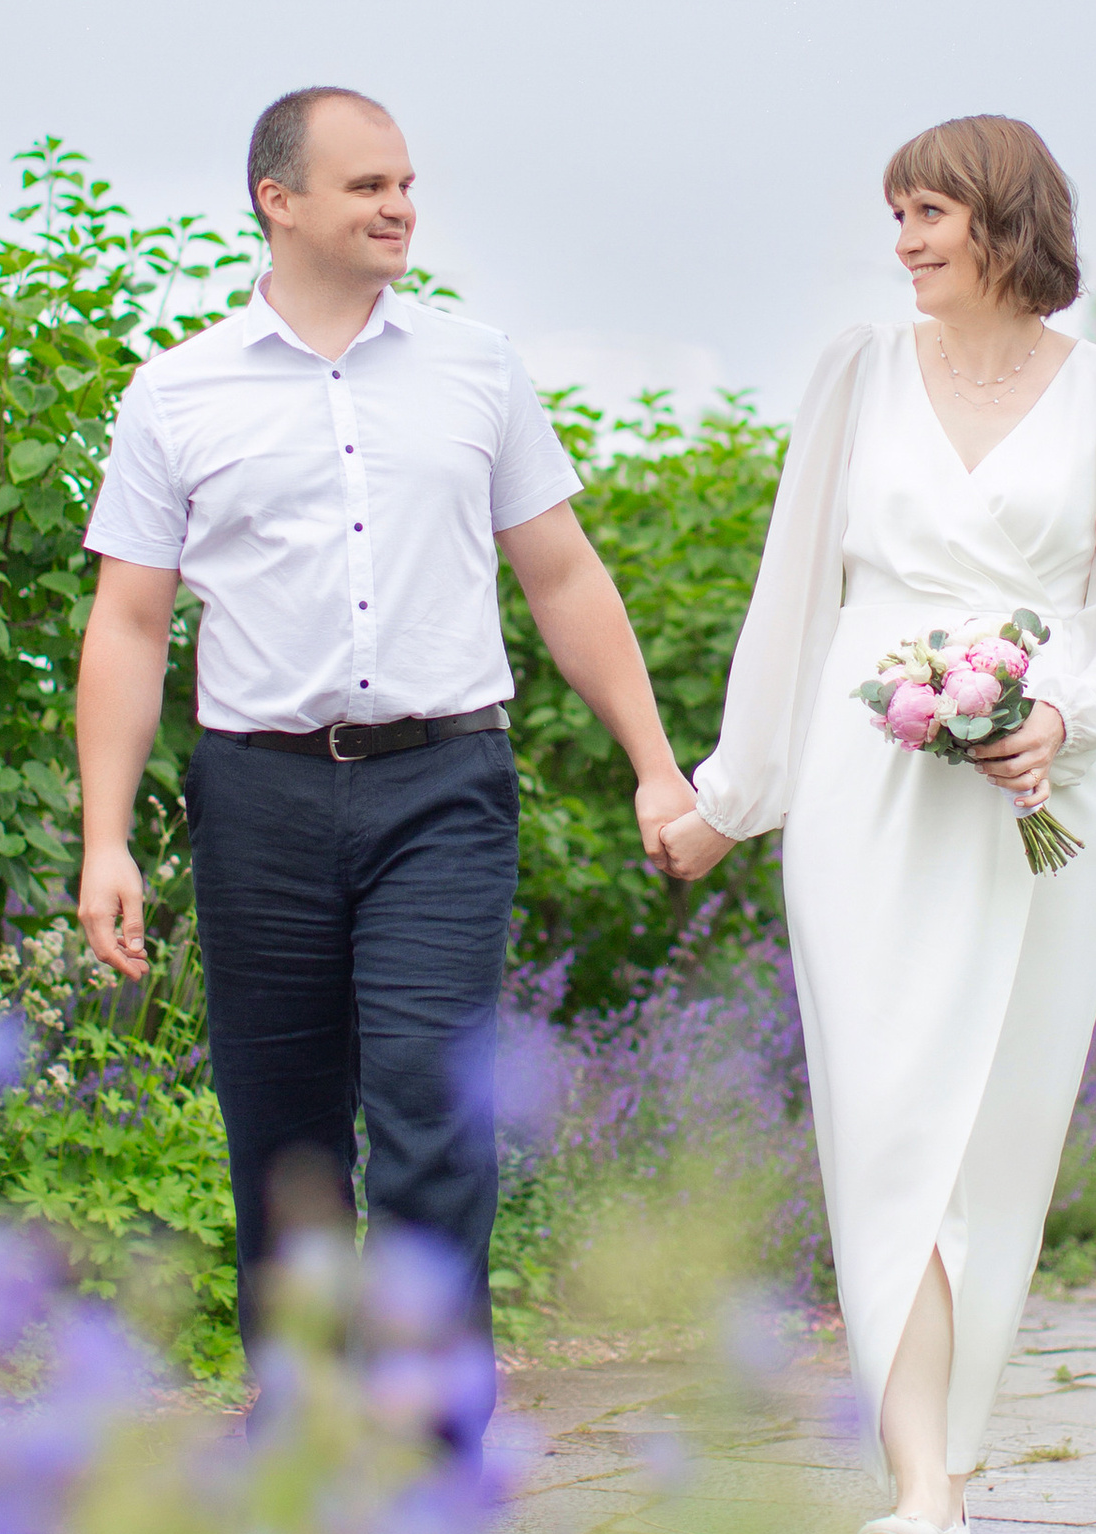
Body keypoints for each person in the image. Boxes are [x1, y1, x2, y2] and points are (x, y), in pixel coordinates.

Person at [75, 86, 696, 1364]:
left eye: (406, 184)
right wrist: (106, 840)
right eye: (368, 186)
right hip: (259, 797)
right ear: (278, 200)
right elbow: (129, 624)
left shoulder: (475, 366)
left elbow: (563, 574)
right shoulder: (177, 393)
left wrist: (658, 765)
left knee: (430, 1111)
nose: (400, 207)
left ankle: (430, 1448)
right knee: (282, 1127)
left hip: (442, 788)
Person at [659, 115, 1096, 1534]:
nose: (903, 241)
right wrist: (731, 791)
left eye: (930, 210)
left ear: (1005, 221)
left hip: (1035, 801)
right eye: (896, 215)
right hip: (863, 786)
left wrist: (1061, 716)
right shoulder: (857, 373)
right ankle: (920, 1494)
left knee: (992, 1143)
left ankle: (943, 1467)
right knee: (887, 1123)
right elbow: (791, 598)